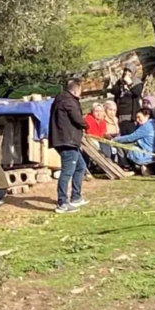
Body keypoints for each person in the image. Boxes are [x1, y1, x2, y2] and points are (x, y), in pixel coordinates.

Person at [49, 79, 89, 214]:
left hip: (67, 140)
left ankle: (76, 197)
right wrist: (86, 126)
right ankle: (62, 203)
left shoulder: (60, 99)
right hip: (67, 141)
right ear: (76, 89)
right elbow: (77, 118)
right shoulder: (68, 101)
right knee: (67, 172)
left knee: (80, 167)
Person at [113, 108, 155, 174]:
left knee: (119, 145)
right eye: (136, 117)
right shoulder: (152, 124)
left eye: (139, 117)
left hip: (146, 155)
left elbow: (131, 138)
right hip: (152, 153)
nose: (137, 120)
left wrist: (115, 139)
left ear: (147, 116)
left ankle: (126, 166)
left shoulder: (146, 126)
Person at [111, 65, 144, 135]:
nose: (126, 72)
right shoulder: (120, 81)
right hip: (120, 113)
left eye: (129, 71)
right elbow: (113, 91)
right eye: (125, 70)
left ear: (133, 72)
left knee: (130, 132)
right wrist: (121, 82)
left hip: (131, 114)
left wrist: (129, 83)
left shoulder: (137, 82)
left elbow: (137, 92)